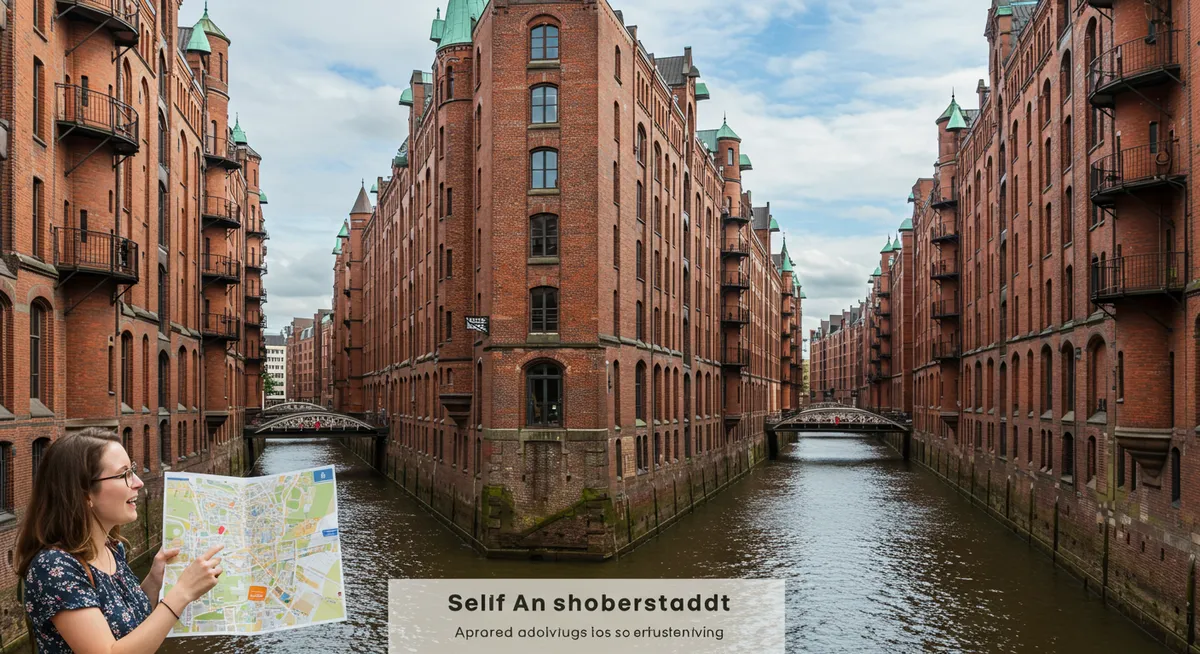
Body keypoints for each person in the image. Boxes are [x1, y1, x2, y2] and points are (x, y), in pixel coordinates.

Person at [16, 428, 224, 653]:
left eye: (132, 470)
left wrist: (155, 581)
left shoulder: (113, 549)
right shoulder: (54, 567)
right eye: (123, 474)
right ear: (85, 494)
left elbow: (126, 624)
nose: (138, 482)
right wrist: (182, 593)